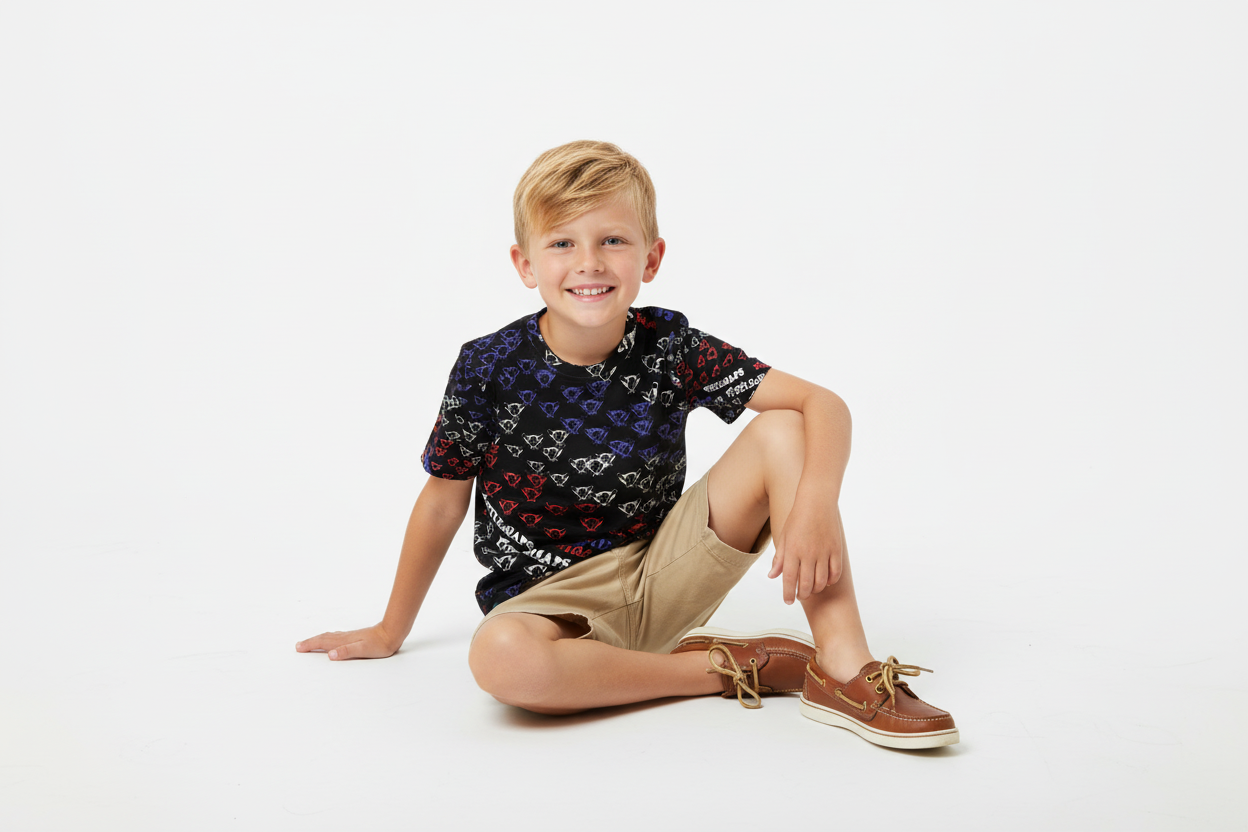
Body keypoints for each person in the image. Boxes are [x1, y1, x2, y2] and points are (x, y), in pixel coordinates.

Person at [296, 140, 958, 749]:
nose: (589, 262)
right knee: (499, 658)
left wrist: (814, 502)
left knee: (783, 425)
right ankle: (730, 668)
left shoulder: (671, 347)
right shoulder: (487, 366)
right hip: (545, 606)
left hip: (658, 572)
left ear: (651, 258)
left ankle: (844, 667)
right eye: (562, 243)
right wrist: (390, 629)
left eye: (612, 240)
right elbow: (443, 500)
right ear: (525, 264)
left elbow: (824, 405)